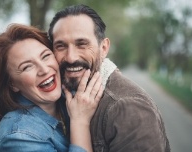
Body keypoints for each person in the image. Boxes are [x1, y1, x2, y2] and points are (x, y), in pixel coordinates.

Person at [48, 4, 171, 152]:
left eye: (82, 44)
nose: (71, 57)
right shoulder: (59, 96)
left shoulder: (128, 108)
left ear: (104, 48)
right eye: (61, 46)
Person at [0, 23, 104, 152]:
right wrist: (80, 122)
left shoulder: (68, 95)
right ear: (13, 84)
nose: (44, 70)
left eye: (45, 56)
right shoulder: (18, 136)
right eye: (27, 67)